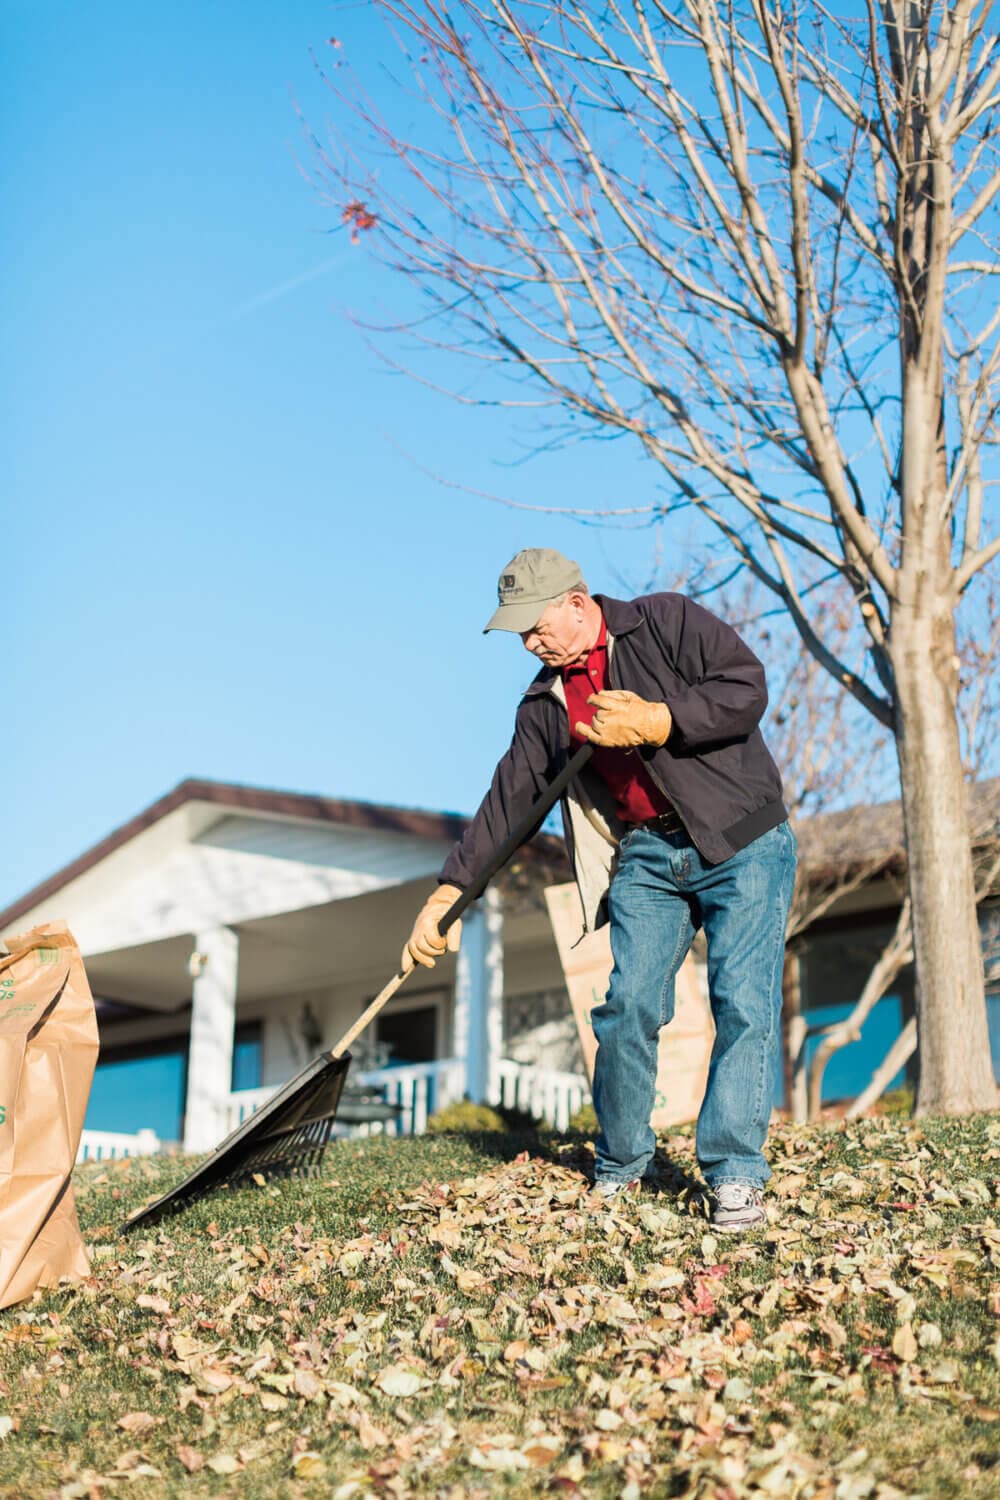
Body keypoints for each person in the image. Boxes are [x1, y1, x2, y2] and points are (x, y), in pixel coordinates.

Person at [403, 548, 796, 1233]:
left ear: (577, 603)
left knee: (743, 1004)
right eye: (518, 633)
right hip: (647, 852)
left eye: (535, 625)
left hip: (743, 839)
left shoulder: (666, 622)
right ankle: (620, 1166)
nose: (529, 642)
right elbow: (511, 800)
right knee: (626, 1009)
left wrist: (658, 721)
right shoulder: (547, 703)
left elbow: (746, 688)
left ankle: (734, 1176)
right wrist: (450, 892)